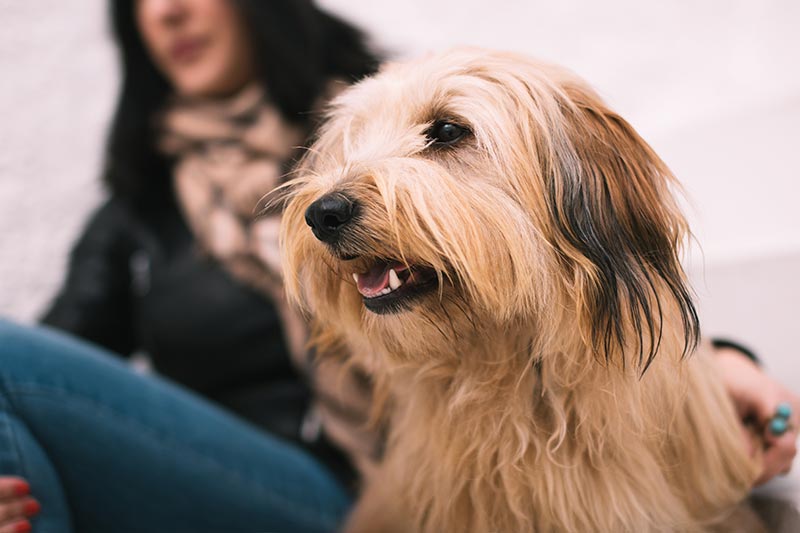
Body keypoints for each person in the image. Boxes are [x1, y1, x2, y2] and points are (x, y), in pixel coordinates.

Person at [0, 1, 796, 532]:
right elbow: (62, 368)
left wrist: (722, 356)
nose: (165, 10)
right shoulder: (140, 206)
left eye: (442, 136)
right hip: (250, 476)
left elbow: (584, 256)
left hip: (396, 464)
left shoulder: (395, 95)